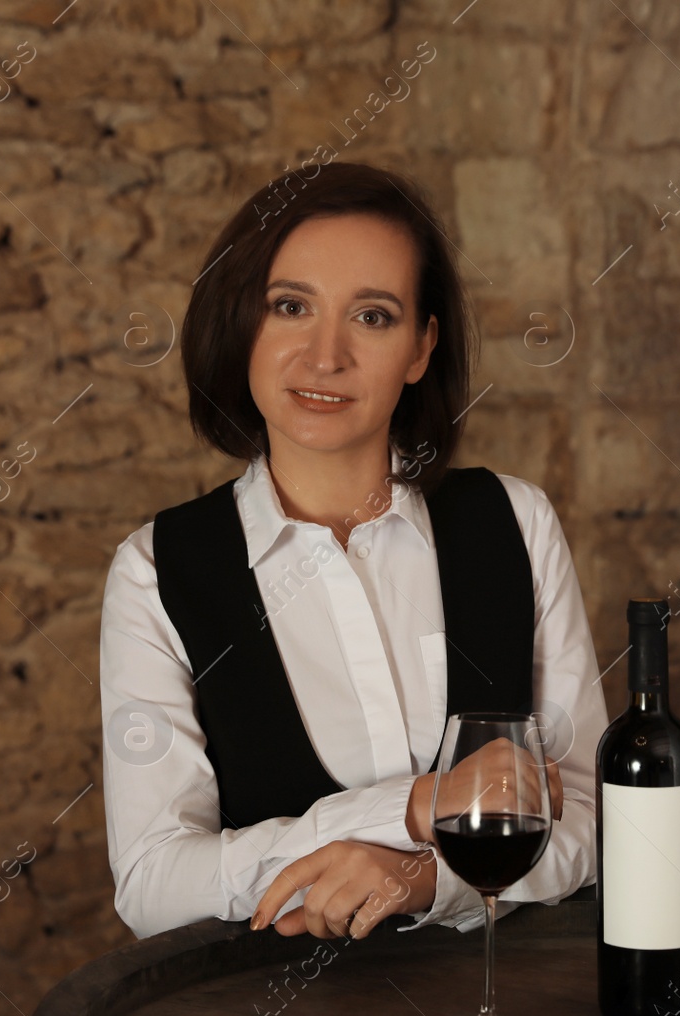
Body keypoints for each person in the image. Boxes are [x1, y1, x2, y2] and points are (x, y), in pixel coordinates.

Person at [99, 162, 609, 942]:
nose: (325, 355)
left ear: (420, 347)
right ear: (241, 325)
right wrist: (413, 804)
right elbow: (153, 883)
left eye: (372, 316)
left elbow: (595, 822)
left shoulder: (515, 522)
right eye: (290, 306)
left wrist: (421, 878)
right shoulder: (157, 573)